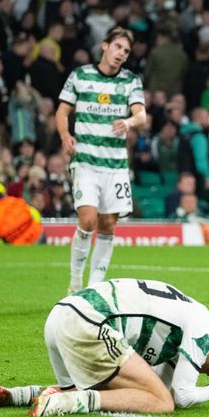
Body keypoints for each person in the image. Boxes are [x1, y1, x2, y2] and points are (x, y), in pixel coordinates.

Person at [0, 278, 209, 416]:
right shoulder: (202, 327)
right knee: (160, 404)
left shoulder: (187, 322)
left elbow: (165, 389)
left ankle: (10, 395)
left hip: (62, 315)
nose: (205, 373)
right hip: (90, 323)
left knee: (136, 394)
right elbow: (181, 399)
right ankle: (66, 402)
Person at [55, 27, 147, 293]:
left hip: (115, 166)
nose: (121, 54)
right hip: (86, 162)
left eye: (126, 51)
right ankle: (74, 284)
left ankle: (93, 287)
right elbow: (62, 112)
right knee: (87, 220)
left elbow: (141, 115)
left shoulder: (130, 81)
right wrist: (64, 135)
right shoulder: (80, 76)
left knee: (108, 224)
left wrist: (128, 121)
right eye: (118, 47)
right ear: (105, 46)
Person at [0, 181, 43, 246]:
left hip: (13, 248)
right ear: (4, 194)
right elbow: (35, 214)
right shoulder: (16, 201)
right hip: (36, 237)